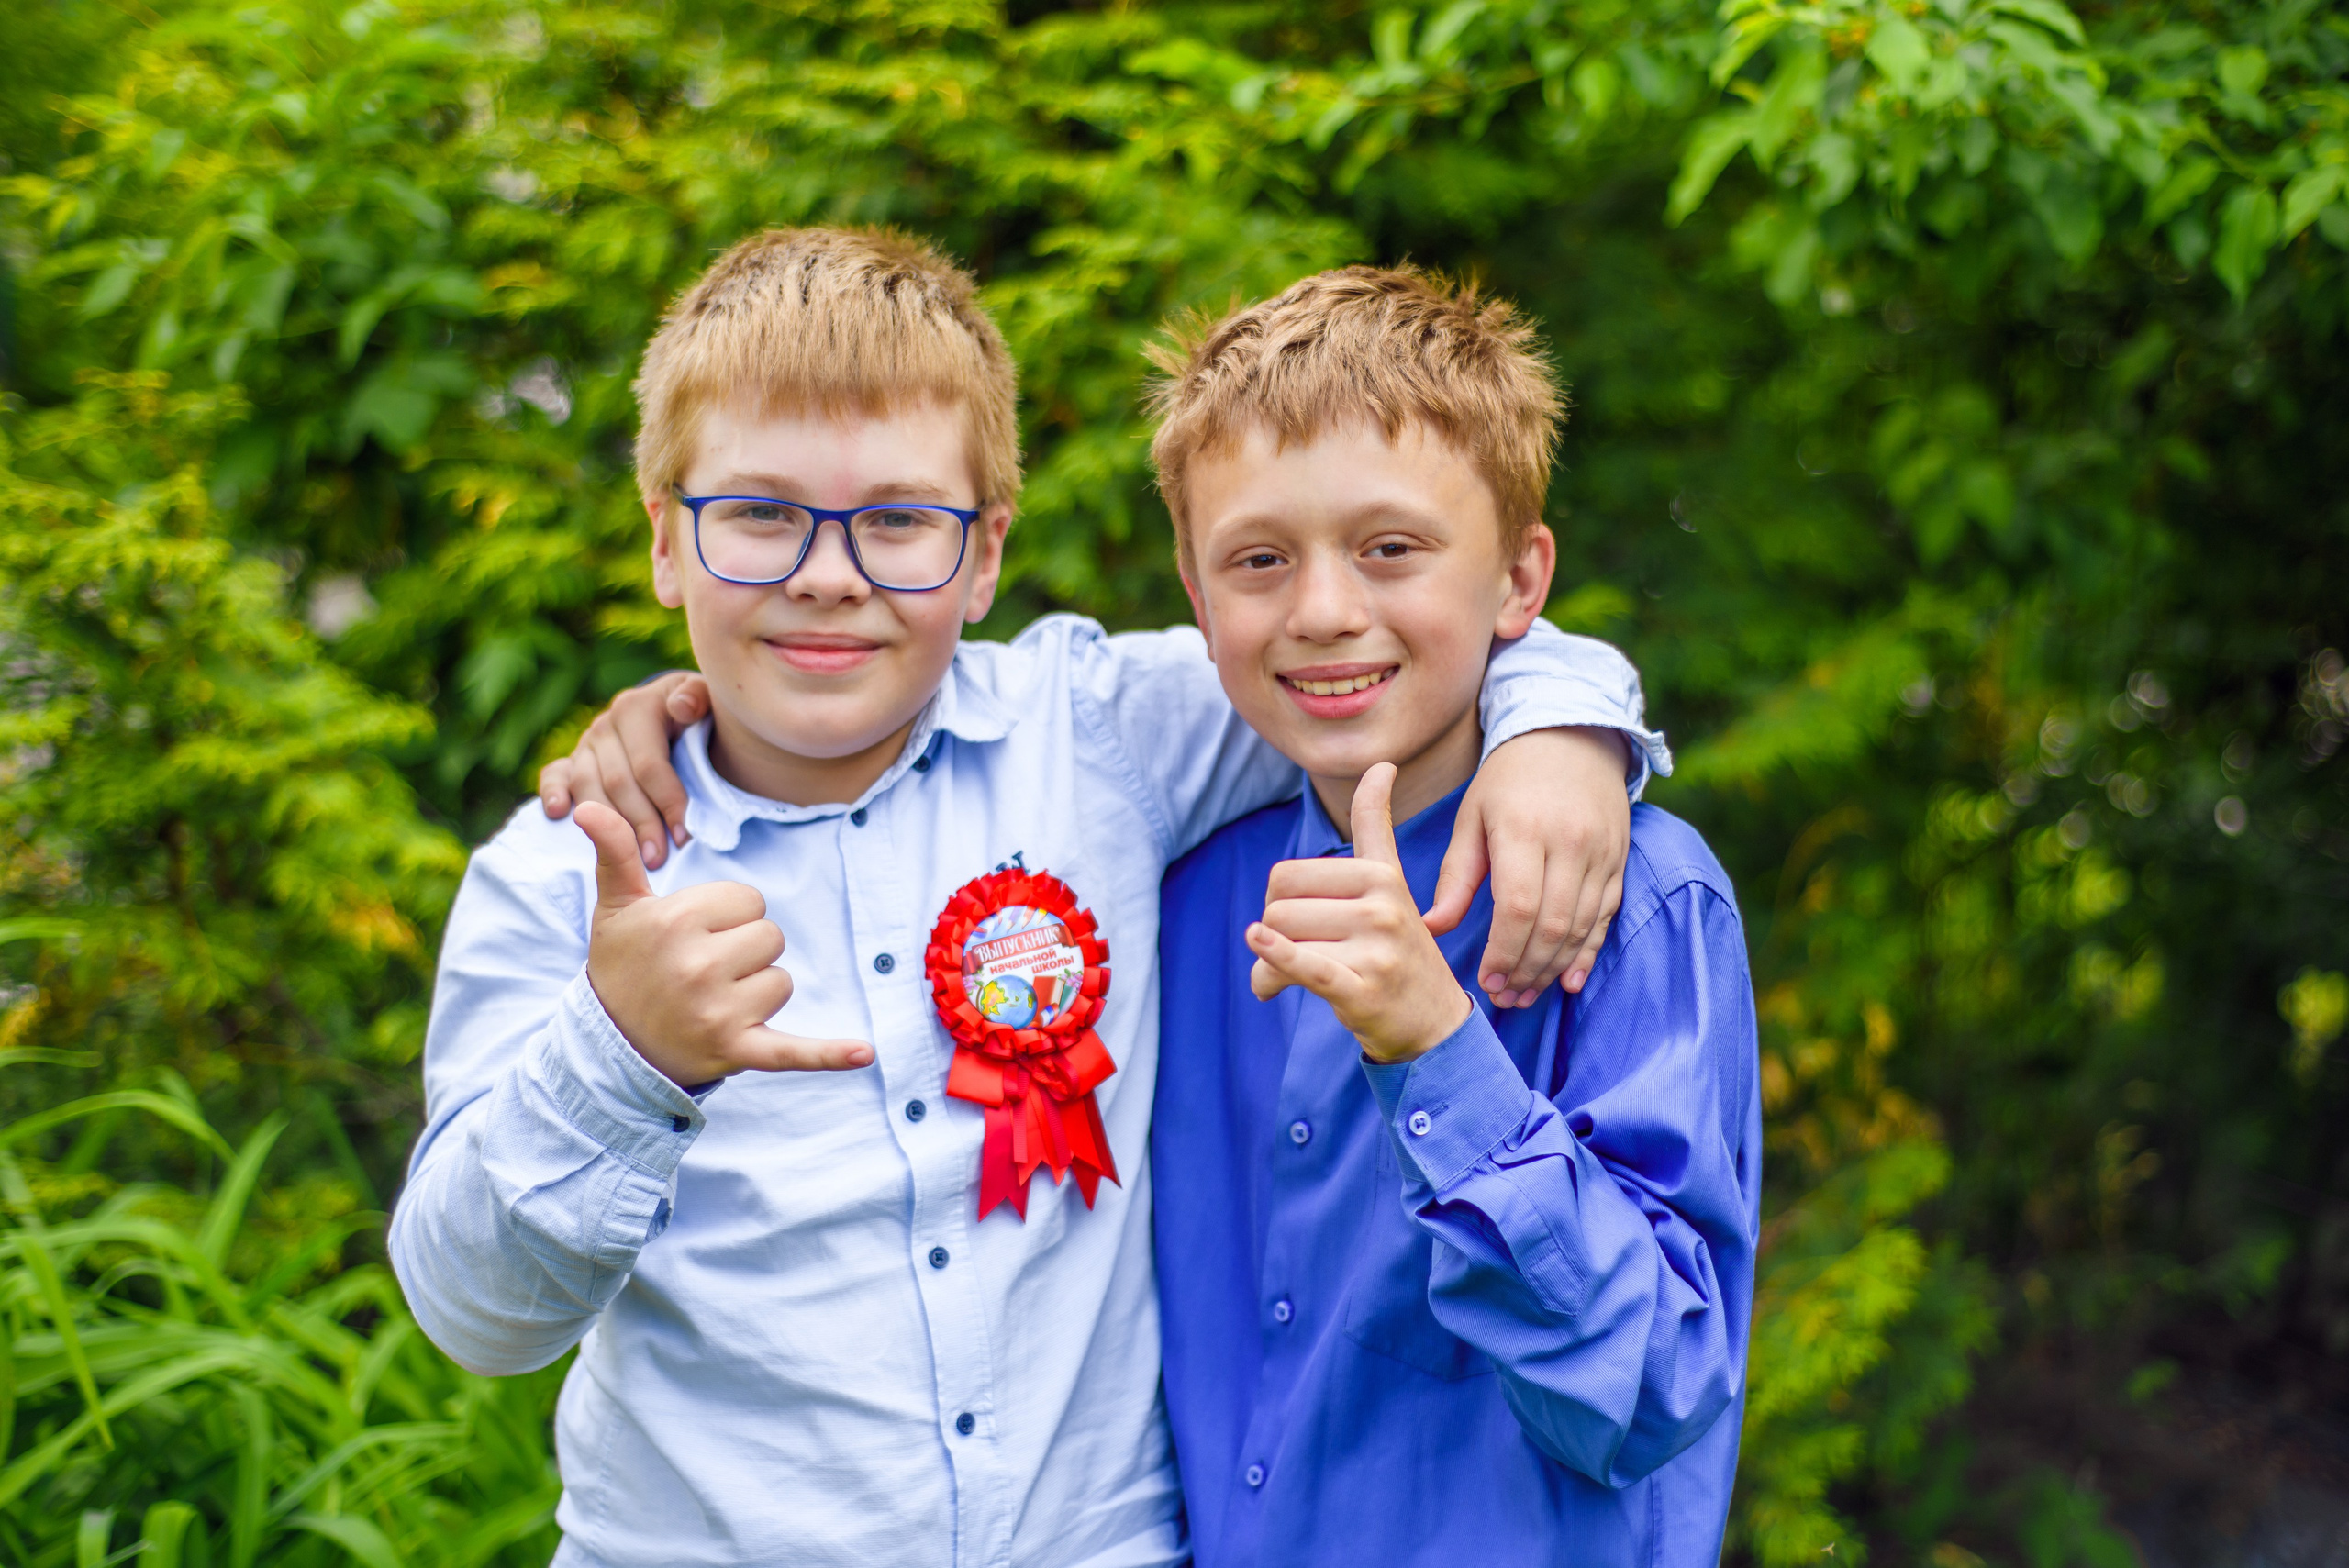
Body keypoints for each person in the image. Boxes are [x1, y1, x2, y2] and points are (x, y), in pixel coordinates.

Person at [390, 226, 1670, 1568]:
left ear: (987, 552)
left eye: (897, 520)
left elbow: (1372, 645)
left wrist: (1558, 732)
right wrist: (617, 1054)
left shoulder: (1099, 734)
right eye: (760, 514)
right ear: (666, 541)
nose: (829, 573)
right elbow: (478, 1317)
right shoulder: (566, 878)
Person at [1147, 267, 1761, 1566]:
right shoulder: (1182, 896)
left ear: (1520, 577)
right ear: (1199, 602)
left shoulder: (1640, 896)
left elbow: (1654, 1389)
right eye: (1259, 559)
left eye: (1391, 548)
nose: (1322, 609)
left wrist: (1439, 1048)